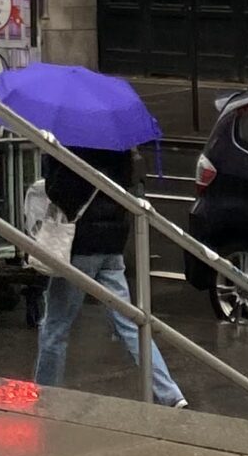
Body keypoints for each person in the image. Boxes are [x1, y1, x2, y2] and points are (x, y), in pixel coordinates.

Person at [34, 145, 187, 408]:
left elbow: (60, 193)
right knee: (130, 323)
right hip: (113, 243)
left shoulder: (72, 143)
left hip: (80, 245)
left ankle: (44, 396)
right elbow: (130, 183)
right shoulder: (120, 145)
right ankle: (169, 392)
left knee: (55, 328)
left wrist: (50, 160)